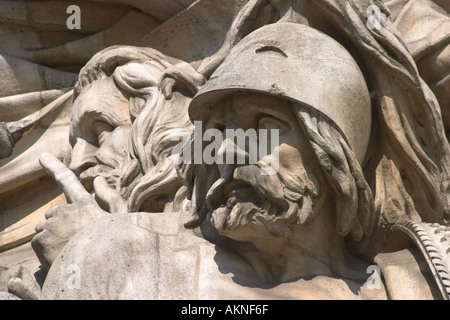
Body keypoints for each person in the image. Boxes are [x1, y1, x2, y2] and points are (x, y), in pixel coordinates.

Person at [37, 22, 448, 299]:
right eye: (216, 132)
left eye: (265, 124)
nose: (230, 149)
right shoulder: (127, 254)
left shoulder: (417, 280)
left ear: (333, 155)